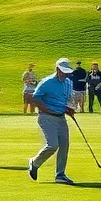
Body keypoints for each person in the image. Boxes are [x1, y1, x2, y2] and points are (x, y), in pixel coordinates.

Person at [27, 57, 76, 185]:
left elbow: (65, 100)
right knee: (53, 145)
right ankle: (34, 163)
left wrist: (68, 109)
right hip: (46, 117)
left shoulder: (68, 83)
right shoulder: (46, 82)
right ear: (57, 69)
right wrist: (48, 110)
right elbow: (35, 99)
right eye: (62, 71)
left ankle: (60, 175)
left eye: (66, 72)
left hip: (61, 117)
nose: (64, 74)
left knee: (64, 145)